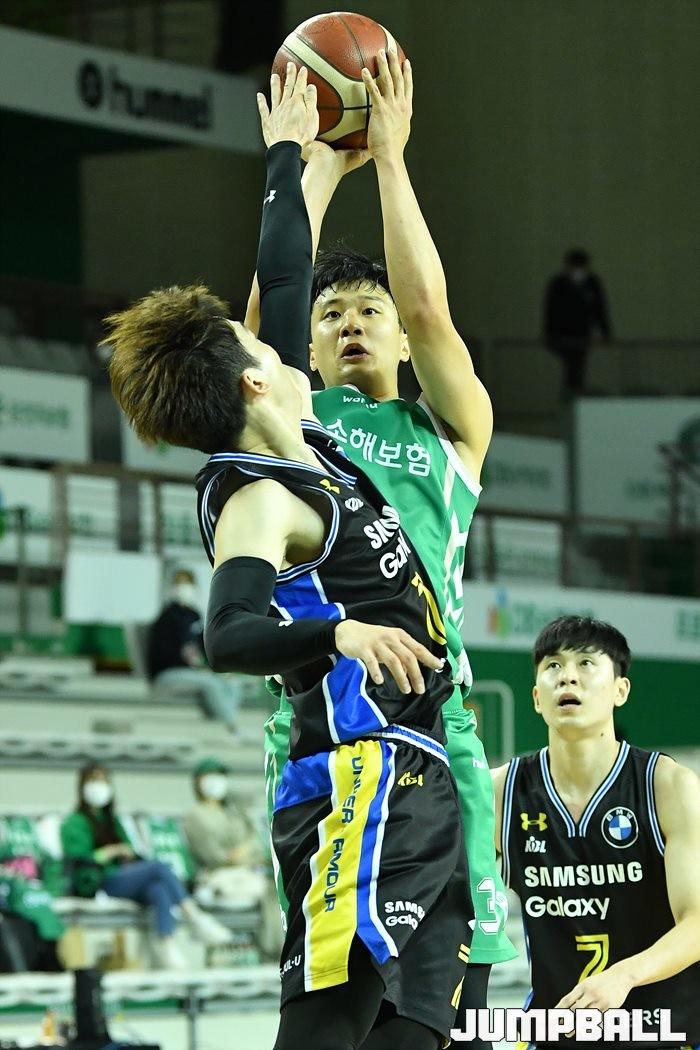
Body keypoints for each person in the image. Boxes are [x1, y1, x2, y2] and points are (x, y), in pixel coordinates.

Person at [105, 64, 471, 1050]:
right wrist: (338, 631)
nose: (273, 330)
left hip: (422, 770)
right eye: (256, 342)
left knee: (415, 1033)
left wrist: (290, 155)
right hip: (359, 778)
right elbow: (229, 633)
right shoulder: (260, 500)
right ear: (255, 382)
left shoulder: (300, 431)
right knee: (322, 1029)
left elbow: (281, 272)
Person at [245, 46, 516, 1018]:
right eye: (331, 314)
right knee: (335, 1004)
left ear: (399, 336)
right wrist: (315, 163)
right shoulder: (295, 419)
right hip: (324, 721)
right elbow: (264, 312)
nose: (352, 322)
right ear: (312, 346)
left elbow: (431, 307)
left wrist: (391, 157)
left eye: (370, 310)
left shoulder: (450, 431)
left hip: (435, 723)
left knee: (450, 1009)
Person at [492, 616, 700, 1047]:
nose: (567, 676)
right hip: (557, 1028)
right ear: (537, 698)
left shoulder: (668, 785)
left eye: (586, 663)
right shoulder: (500, 792)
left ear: (620, 690)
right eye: (553, 666)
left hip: (665, 1027)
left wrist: (624, 975)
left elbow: (697, 922)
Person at [60, 762, 231, 969]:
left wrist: (126, 853)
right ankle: (194, 916)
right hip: (98, 880)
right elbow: (79, 857)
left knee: (157, 889)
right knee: (159, 868)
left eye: (104, 781)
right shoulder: (74, 822)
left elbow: (130, 849)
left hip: (123, 875)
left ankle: (166, 945)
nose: (99, 786)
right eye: (94, 781)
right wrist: (109, 852)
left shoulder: (113, 821)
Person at [183, 756, 282, 958]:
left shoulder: (235, 811)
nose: (215, 781)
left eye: (219, 776)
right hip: (217, 877)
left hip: (247, 872)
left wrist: (242, 855)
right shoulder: (195, 815)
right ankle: (274, 949)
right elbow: (214, 856)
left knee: (279, 885)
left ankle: (278, 946)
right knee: (270, 890)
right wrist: (239, 856)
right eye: (209, 776)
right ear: (198, 782)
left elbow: (255, 843)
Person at [147, 567, 241, 732]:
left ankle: (220, 724)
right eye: (180, 583)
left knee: (232, 683)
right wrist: (194, 667)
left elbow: (204, 648)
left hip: (194, 673)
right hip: (168, 674)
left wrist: (216, 669)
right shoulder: (166, 618)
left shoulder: (194, 616)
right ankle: (231, 728)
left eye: (188, 583)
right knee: (210, 684)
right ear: (172, 587)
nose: (184, 588)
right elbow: (161, 657)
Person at [543, 248, 612, 399]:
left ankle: (574, 395)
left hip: (582, 334)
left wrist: (606, 332)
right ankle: (572, 395)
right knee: (572, 366)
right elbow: (551, 311)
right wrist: (550, 335)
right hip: (563, 334)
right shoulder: (558, 284)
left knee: (577, 366)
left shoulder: (592, 283)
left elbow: (599, 309)